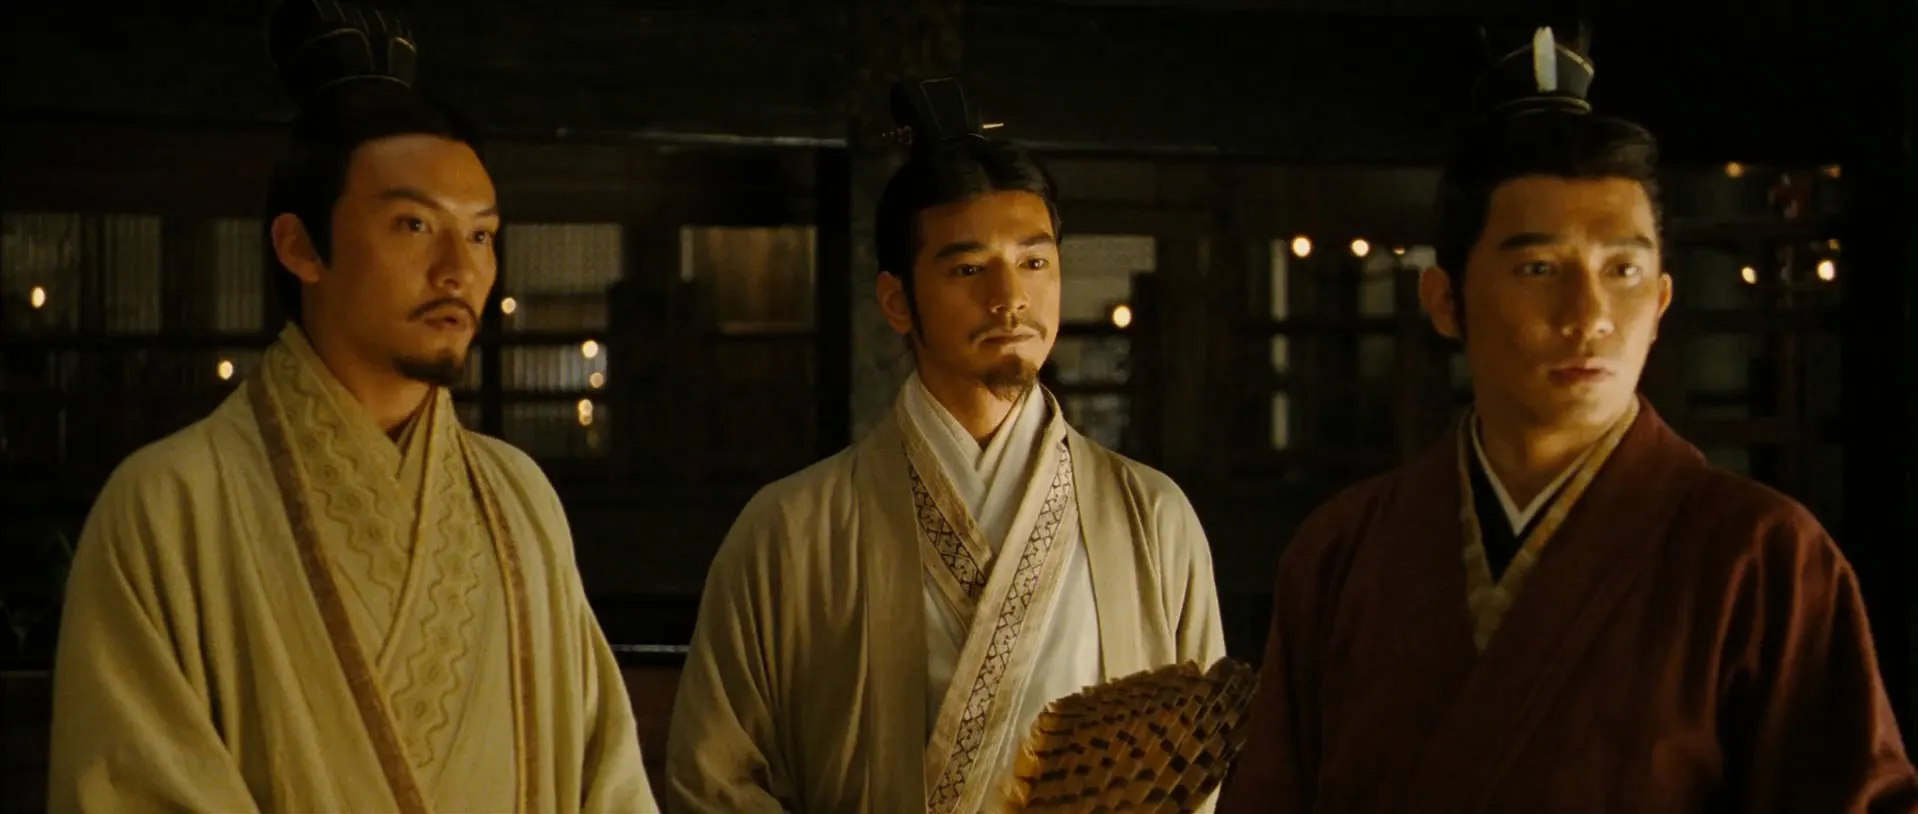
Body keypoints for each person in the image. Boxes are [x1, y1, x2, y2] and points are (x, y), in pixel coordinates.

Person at [1219, 27, 1918, 814]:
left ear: (1661, 300)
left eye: (1623, 270)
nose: (1588, 315)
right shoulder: (1343, 552)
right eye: (1539, 268)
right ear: (1445, 301)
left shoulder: (1762, 556)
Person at [46, 3, 657, 811]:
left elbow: (608, 779)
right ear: (299, 246)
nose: (459, 269)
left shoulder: (520, 500)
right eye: (414, 224)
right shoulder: (168, 506)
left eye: (480, 235)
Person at [663, 77, 1227, 814]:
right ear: (897, 301)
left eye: (1034, 262)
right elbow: (713, 782)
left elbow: (1193, 772)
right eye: (968, 268)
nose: (1010, 297)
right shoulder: (788, 531)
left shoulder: (1150, 518)